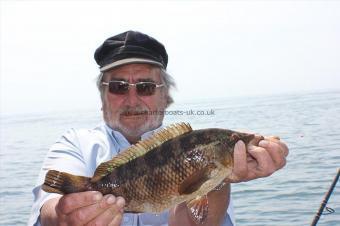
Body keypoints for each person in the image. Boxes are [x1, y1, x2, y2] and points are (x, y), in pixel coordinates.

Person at [28, 30, 288, 226]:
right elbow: (48, 208)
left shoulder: (192, 145)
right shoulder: (75, 144)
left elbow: (191, 221)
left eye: (145, 87)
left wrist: (218, 181)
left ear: (166, 97)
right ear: (102, 95)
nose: (132, 99)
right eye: (118, 87)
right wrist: (63, 215)